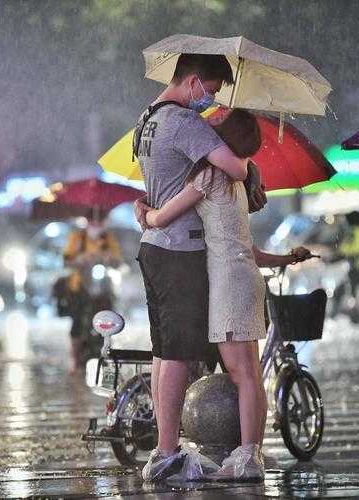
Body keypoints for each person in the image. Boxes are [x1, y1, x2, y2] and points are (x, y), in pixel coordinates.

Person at [141, 108, 311, 480]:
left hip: (230, 282)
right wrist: (286, 257)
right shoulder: (238, 179)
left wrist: (146, 213)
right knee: (248, 373)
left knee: (244, 375)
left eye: (216, 127)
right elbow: (245, 247)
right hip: (242, 276)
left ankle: (249, 458)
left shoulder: (212, 174)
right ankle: (249, 455)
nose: (208, 129)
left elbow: (166, 214)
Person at [130, 53, 267, 482]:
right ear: (192, 83)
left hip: (154, 246)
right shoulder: (184, 122)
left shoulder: (147, 117)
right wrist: (252, 168)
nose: (209, 101)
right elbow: (234, 166)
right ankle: (168, 452)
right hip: (179, 248)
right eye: (209, 90)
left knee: (162, 351)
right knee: (175, 353)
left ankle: (165, 448)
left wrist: (149, 215)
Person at [62, 217, 122, 372]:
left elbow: (118, 262)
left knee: (109, 320)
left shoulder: (108, 239)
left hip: (103, 287)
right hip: (80, 285)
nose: (96, 223)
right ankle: (74, 360)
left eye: (99, 220)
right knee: (77, 322)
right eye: (92, 220)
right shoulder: (77, 237)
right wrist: (80, 260)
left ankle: (106, 356)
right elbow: (66, 261)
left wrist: (110, 259)